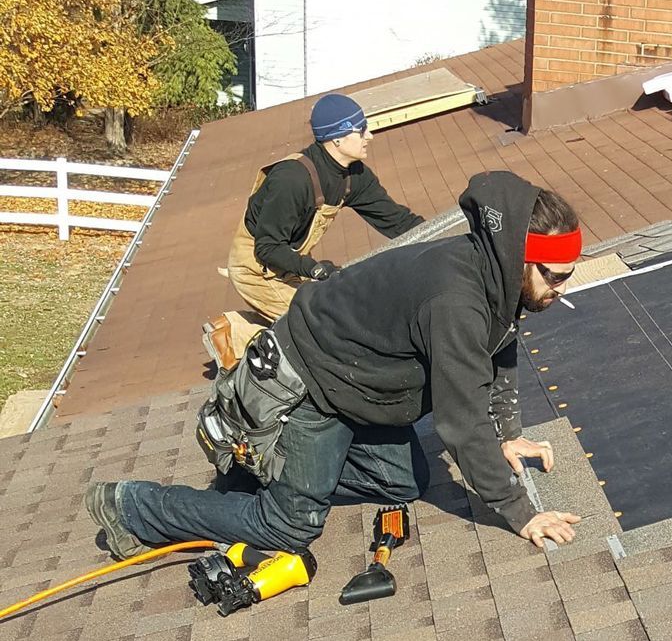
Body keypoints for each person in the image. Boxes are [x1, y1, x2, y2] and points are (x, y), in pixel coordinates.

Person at [87, 172, 583, 566]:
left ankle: (275, 471)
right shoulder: (457, 300)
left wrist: (507, 432)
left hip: (354, 386)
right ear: (519, 257)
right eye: (554, 275)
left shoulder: (495, 277)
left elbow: (501, 346)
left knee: (404, 483)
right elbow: (459, 420)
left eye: (568, 275)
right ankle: (133, 508)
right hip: (312, 386)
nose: (561, 286)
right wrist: (521, 513)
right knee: (291, 526)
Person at [202, 90, 422, 372]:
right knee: (324, 330)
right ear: (337, 138)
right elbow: (267, 248)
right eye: (361, 129)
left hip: (289, 264)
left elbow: (398, 222)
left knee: (326, 317)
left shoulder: (353, 176)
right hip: (256, 268)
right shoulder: (292, 179)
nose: (370, 135)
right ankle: (235, 333)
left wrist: (444, 241)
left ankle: (245, 327)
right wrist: (315, 270)